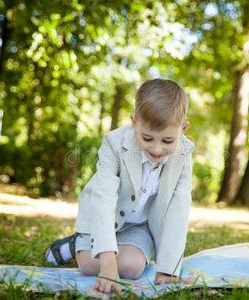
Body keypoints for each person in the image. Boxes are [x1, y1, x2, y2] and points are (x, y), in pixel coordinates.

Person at [45, 79, 194, 294]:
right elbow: (104, 199)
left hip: (138, 226)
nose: (157, 148)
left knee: (131, 268)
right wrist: (106, 265)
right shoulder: (114, 144)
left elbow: (179, 209)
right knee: (88, 266)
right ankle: (74, 245)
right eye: (147, 138)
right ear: (134, 123)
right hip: (104, 215)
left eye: (168, 141)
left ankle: (104, 251)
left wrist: (168, 270)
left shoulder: (184, 155)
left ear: (184, 128)